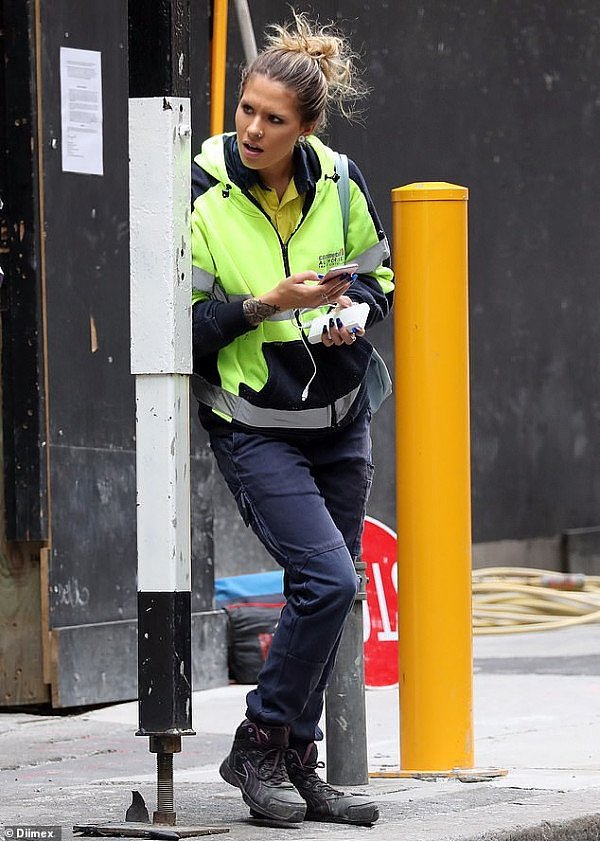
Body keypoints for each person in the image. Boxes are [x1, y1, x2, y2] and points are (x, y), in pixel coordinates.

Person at [190, 11, 394, 827]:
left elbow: (380, 275)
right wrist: (264, 303)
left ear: (304, 128)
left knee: (327, 593)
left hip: (341, 419)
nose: (253, 129)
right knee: (330, 578)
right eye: (247, 110)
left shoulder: (341, 181)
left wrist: (355, 310)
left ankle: (294, 759)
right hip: (254, 422)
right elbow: (182, 331)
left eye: (274, 119)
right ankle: (259, 740)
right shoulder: (199, 188)